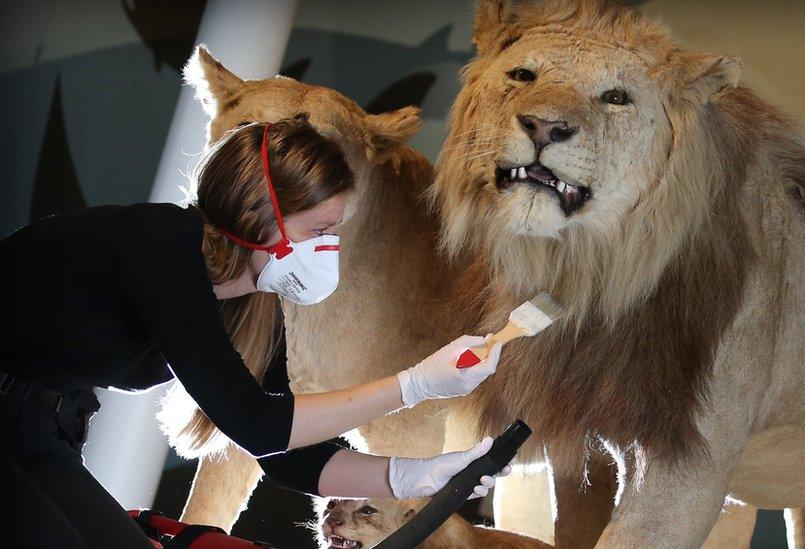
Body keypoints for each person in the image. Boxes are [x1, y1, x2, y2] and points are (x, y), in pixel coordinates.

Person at [0, 117, 505, 548]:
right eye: (319, 231)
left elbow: (285, 455)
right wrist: (415, 384)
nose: (330, 251)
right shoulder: (160, 249)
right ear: (257, 216)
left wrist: (413, 477)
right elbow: (257, 423)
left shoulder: (255, 306)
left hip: (38, 426)